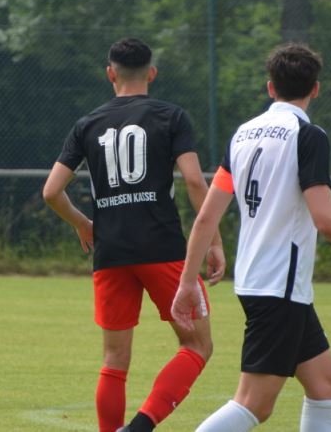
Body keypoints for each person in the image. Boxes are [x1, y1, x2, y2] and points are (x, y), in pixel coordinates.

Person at [172, 43, 331, 432]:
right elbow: (326, 220)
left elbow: (207, 216)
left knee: (325, 385)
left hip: (262, 281)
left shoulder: (243, 134)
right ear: (316, 89)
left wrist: (187, 281)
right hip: (279, 286)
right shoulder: (308, 136)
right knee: (253, 404)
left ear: (270, 87)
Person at [42, 37, 226, 432]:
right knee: (197, 345)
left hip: (110, 252)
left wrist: (82, 223)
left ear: (110, 74)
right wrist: (214, 241)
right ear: (152, 73)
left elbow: (51, 191)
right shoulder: (172, 116)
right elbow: (195, 181)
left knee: (114, 360)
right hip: (163, 249)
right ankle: (140, 427)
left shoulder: (87, 124)